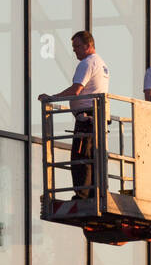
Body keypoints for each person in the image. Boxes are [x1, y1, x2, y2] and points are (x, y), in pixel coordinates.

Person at [38, 32, 110, 196]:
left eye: (77, 46)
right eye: (73, 47)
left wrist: (52, 98)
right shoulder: (101, 63)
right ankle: (93, 193)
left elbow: (76, 90)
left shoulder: (87, 63)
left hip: (86, 118)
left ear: (88, 45)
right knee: (92, 157)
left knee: (80, 157)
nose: (75, 51)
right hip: (96, 117)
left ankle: (82, 195)